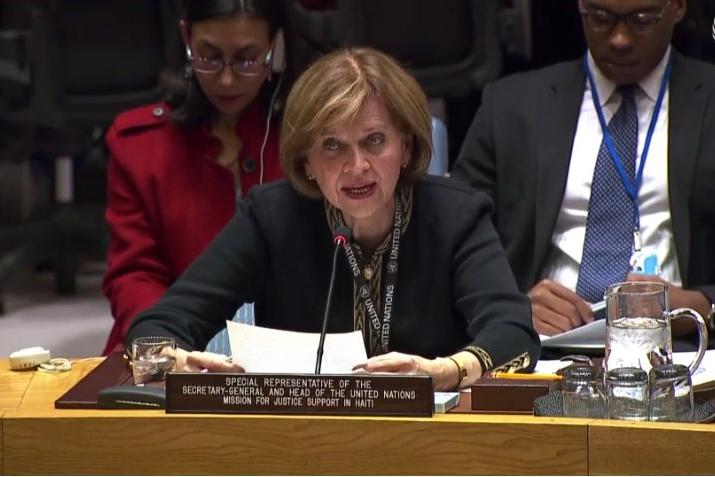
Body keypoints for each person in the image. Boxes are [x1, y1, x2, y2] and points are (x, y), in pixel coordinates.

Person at [126, 47, 540, 390]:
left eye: (374, 141)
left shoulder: (457, 216)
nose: (357, 166)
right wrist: (173, 361)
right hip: (300, 438)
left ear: (406, 147)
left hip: (430, 438)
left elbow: (514, 333)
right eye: (332, 146)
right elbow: (158, 325)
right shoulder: (271, 218)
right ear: (306, 162)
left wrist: (446, 371)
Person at [451, 0, 715, 337]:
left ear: (677, 7)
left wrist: (703, 306)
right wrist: (511, 309)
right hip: (542, 347)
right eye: (601, 18)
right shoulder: (510, 107)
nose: (620, 39)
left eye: (642, 20)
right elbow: (453, 248)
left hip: (682, 347)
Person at [102, 0, 287, 354]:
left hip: (289, 347)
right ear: (187, 38)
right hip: (171, 338)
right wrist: (162, 345)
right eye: (209, 57)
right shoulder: (139, 143)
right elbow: (135, 274)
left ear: (274, 48)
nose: (227, 79)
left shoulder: (313, 137)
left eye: (247, 60)